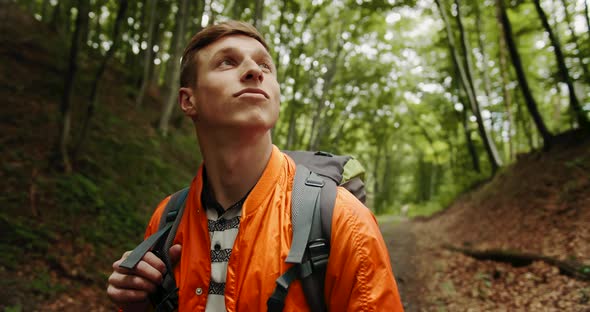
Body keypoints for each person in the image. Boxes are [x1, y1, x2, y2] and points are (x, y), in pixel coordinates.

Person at [107, 20, 404, 311]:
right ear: (188, 100)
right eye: (226, 62)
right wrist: (138, 305)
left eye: (265, 65)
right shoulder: (167, 220)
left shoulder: (342, 219)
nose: (253, 71)